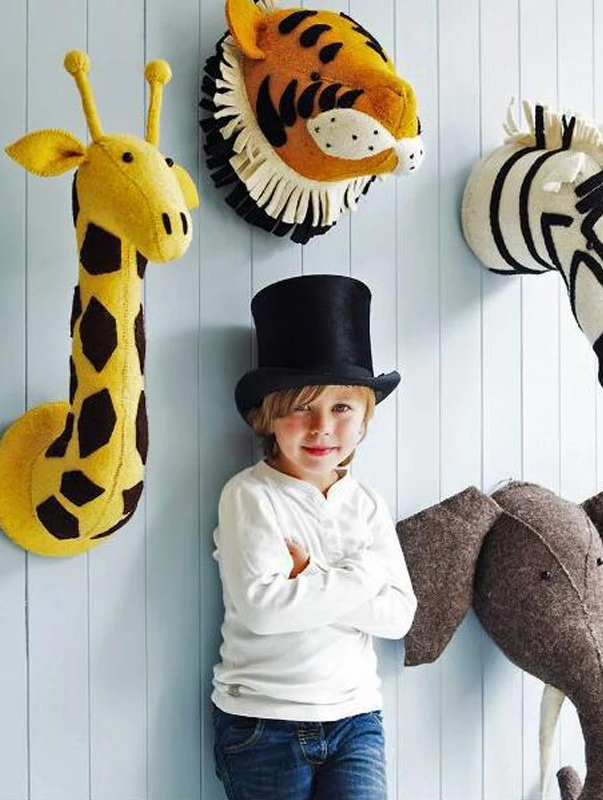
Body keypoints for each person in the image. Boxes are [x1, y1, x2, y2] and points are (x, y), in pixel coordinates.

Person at [211, 274, 417, 800]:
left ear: (364, 418)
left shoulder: (367, 504)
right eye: (302, 407)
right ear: (268, 416)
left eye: (341, 408)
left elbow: (399, 616)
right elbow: (264, 610)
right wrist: (363, 574)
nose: (322, 426)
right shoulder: (250, 495)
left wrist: (311, 576)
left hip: (356, 720)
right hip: (264, 723)